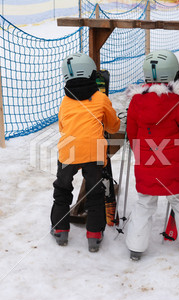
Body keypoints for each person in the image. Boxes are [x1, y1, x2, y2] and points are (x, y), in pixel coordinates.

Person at [124, 49, 179, 261]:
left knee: (144, 203)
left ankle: (136, 247)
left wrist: (139, 152)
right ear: (174, 73)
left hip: (147, 163)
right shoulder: (177, 101)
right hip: (175, 163)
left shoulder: (136, 102)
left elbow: (132, 132)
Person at [50, 52, 120, 252]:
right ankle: (94, 235)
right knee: (95, 192)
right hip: (94, 151)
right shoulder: (100, 98)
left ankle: (60, 230)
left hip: (68, 149)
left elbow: (63, 127)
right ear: (90, 73)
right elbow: (113, 127)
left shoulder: (65, 101)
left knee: (62, 189)